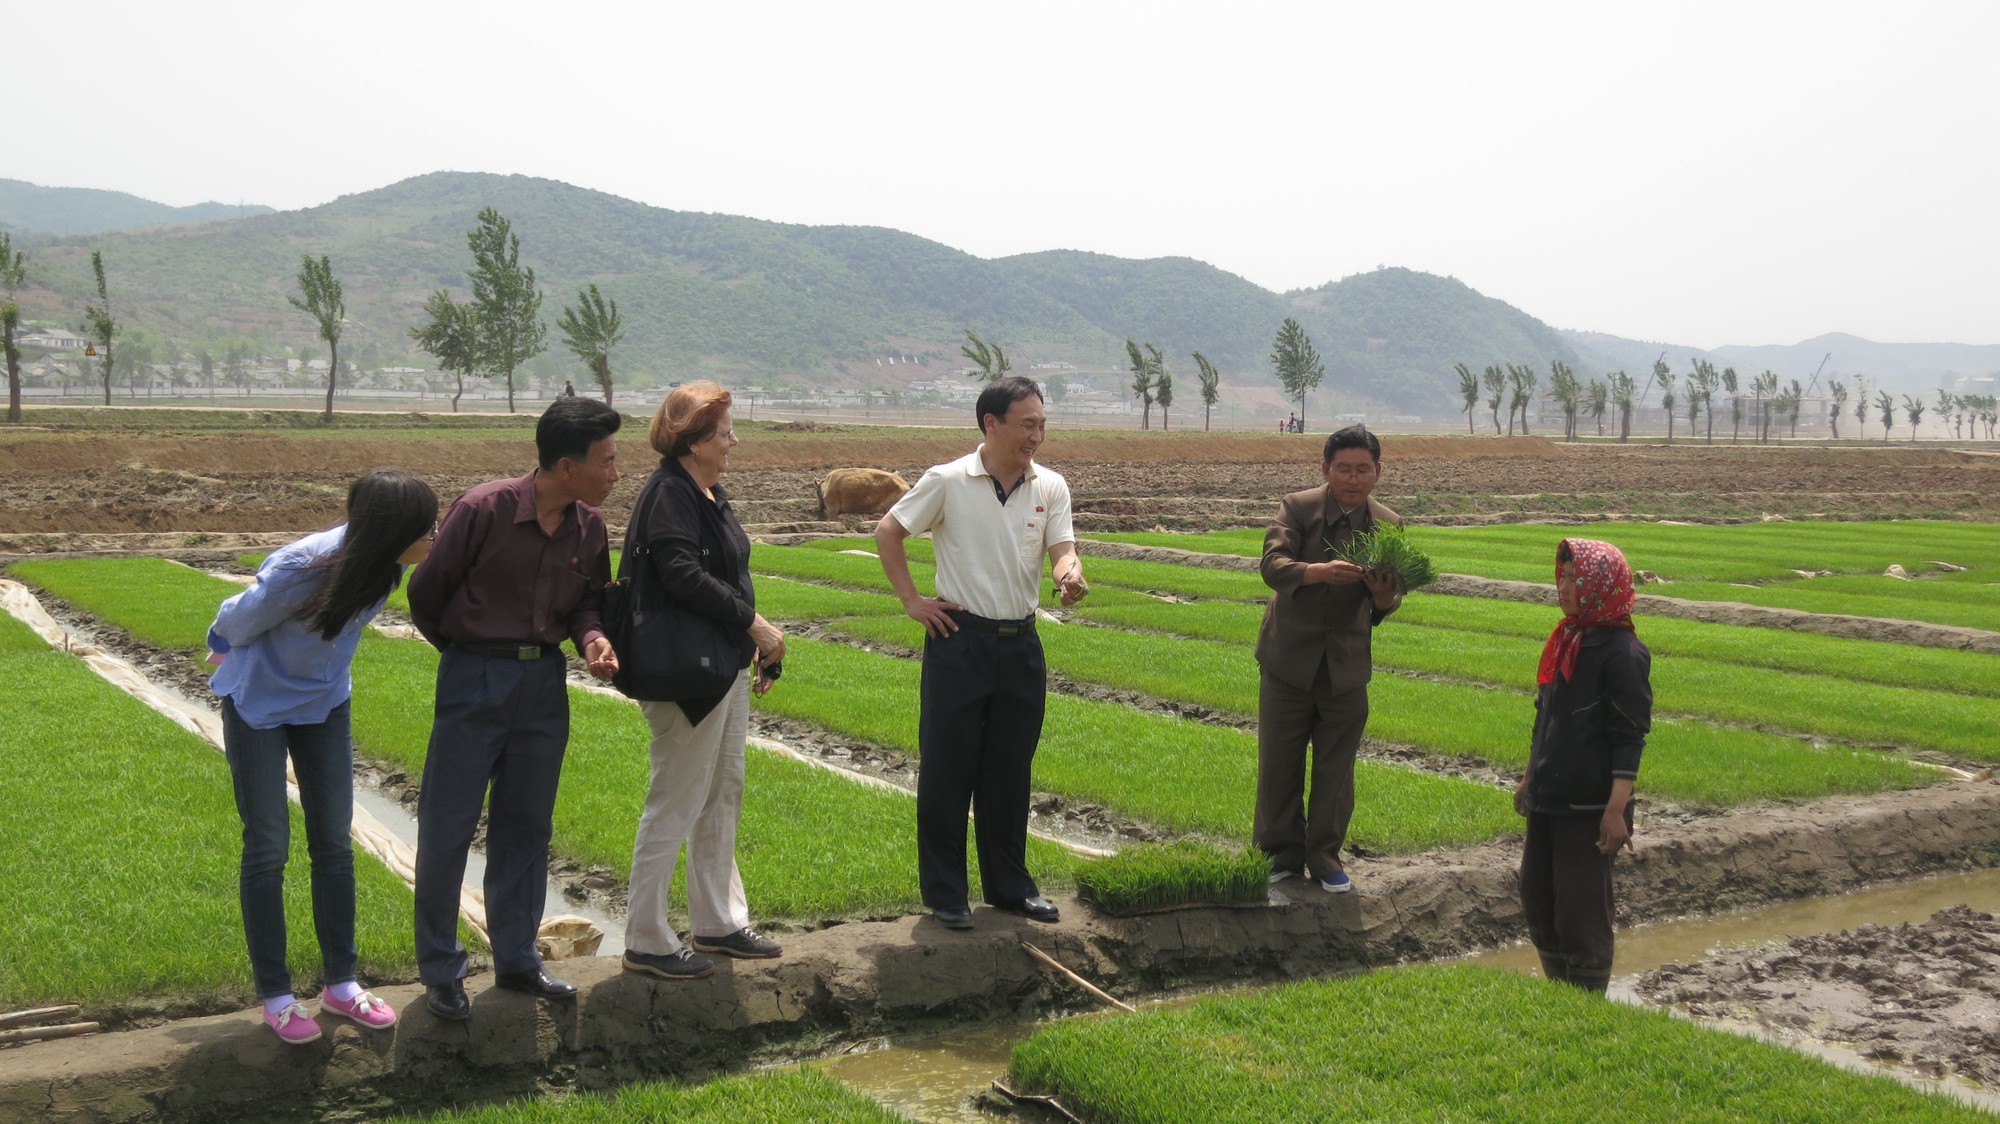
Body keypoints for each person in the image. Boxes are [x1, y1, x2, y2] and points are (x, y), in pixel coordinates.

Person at [406, 397, 623, 1021]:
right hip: (475, 677)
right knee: (448, 826)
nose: (614, 474)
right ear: (564, 465)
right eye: (606, 462)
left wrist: (591, 638)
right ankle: (442, 970)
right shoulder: (484, 509)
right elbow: (427, 593)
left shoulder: (589, 527)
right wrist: (470, 654)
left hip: (543, 686)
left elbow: (587, 603)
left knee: (527, 826)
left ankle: (519, 961)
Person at [207, 468, 439, 1044]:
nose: (435, 534)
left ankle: (341, 986)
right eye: (427, 526)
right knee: (267, 845)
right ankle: (278, 996)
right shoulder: (302, 568)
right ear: (392, 530)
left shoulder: (388, 566)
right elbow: (235, 620)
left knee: (333, 842)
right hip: (259, 705)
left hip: (326, 704)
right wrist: (224, 648)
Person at [876, 376, 1088, 931]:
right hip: (959, 640)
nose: (1037, 435)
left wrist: (1069, 574)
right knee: (948, 770)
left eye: (1042, 424)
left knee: (1010, 772)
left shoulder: (1051, 487)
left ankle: (1010, 887)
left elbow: (1061, 549)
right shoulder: (947, 480)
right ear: (991, 424)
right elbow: (888, 532)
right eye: (1027, 424)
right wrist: (912, 601)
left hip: (1020, 644)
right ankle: (947, 894)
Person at [620, 382, 788, 982]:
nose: (733, 440)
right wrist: (757, 626)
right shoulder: (670, 493)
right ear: (692, 441)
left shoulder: (705, 491)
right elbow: (681, 573)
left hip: (721, 666)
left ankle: (717, 921)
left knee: (722, 791)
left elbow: (723, 575)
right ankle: (645, 935)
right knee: (678, 798)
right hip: (687, 674)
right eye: (723, 432)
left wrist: (752, 642)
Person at [1253, 424, 1402, 895]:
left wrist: (1383, 597)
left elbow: (1389, 602)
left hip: (1345, 665)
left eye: (1363, 469)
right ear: (1326, 469)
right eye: (1344, 469)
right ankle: (1281, 854)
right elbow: (1272, 566)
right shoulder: (1297, 508)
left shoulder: (1389, 525)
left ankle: (1324, 856)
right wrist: (1317, 572)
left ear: (1377, 472)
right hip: (1288, 660)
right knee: (1280, 762)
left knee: (1336, 770)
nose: (1353, 478)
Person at [1516, 538, 1651, 994]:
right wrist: (1529, 778)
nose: (1566, 587)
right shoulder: (1567, 639)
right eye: (1564, 577)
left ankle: (1587, 1000)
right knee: (1539, 897)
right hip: (1549, 796)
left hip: (1590, 806)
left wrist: (1616, 810)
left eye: (1577, 580)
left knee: (1582, 910)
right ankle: (1561, 994)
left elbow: (1628, 737)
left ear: (1602, 585)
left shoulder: (1623, 654)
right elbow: (1545, 716)